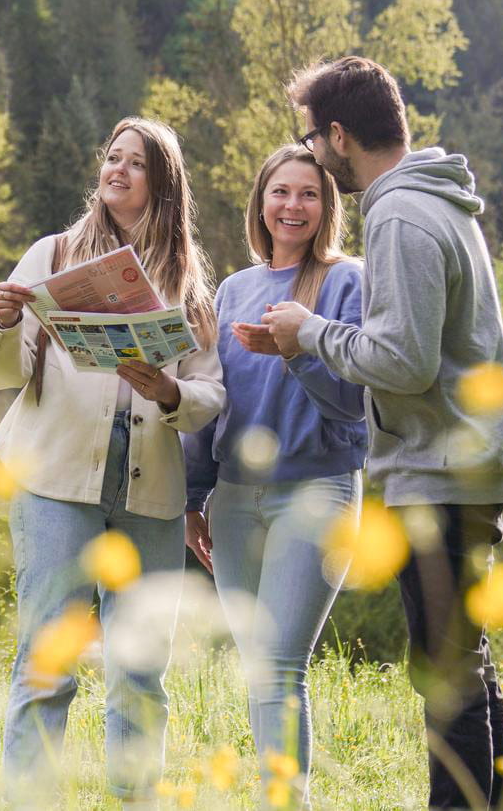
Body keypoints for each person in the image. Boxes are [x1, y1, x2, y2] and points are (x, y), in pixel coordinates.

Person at [263, 56, 503, 811]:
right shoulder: (429, 201)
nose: (311, 153)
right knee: (460, 661)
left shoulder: (401, 215)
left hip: (442, 465)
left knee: (445, 670)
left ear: (339, 136)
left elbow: (404, 364)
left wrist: (310, 331)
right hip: (460, 459)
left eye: (312, 139)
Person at [0, 116, 226, 808]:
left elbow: (211, 395)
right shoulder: (52, 255)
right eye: (111, 158)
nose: (117, 169)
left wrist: (169, 390)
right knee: (47, 662)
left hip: (150, 495)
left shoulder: (190, 286)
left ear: (163, 184)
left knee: (140, 670)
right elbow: (0, 372)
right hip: (55, 482)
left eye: (135, 163)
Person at [182, 143, 367, 806]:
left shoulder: (348, 281)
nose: (293, 205)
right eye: (281, 192)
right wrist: (191, 497)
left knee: (282, 666)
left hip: (316, 494)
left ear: (327, 208)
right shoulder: (234, 288)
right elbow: (212, 397)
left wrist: (296, 350)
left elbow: (353, 406)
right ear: (261, 203)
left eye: (309, 194)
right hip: (234, 502)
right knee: (260, 669)